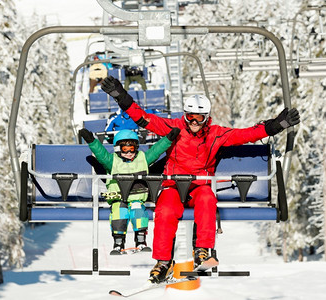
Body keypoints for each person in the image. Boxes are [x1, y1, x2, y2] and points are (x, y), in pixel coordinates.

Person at [101, 75, 300, 282]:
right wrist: (120, 95)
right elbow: (143, 118)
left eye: (199, 118)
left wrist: (277, 125)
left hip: (199, 186)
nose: (194, 122)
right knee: (165, 209)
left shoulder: (216, 134)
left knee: (207, 200)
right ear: (185, 115)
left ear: (206, 117)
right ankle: (163, 262)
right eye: (190, 117)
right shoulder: (174, 128)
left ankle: (202, 250)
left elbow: (245, 135)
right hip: (173, 185)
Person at [79, 128, 180, 255]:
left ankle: (141, 240)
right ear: (117, 149)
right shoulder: (112, 161)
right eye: (125, 149)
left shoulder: (143, 159)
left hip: (136, 197)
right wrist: (91, 140)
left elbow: (156, 151)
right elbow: (101, 154)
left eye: (132, 148)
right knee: (119, 213)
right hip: (118, 197)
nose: (129, 152)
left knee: (138, 211)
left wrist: (168, 138)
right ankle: (118, 242)